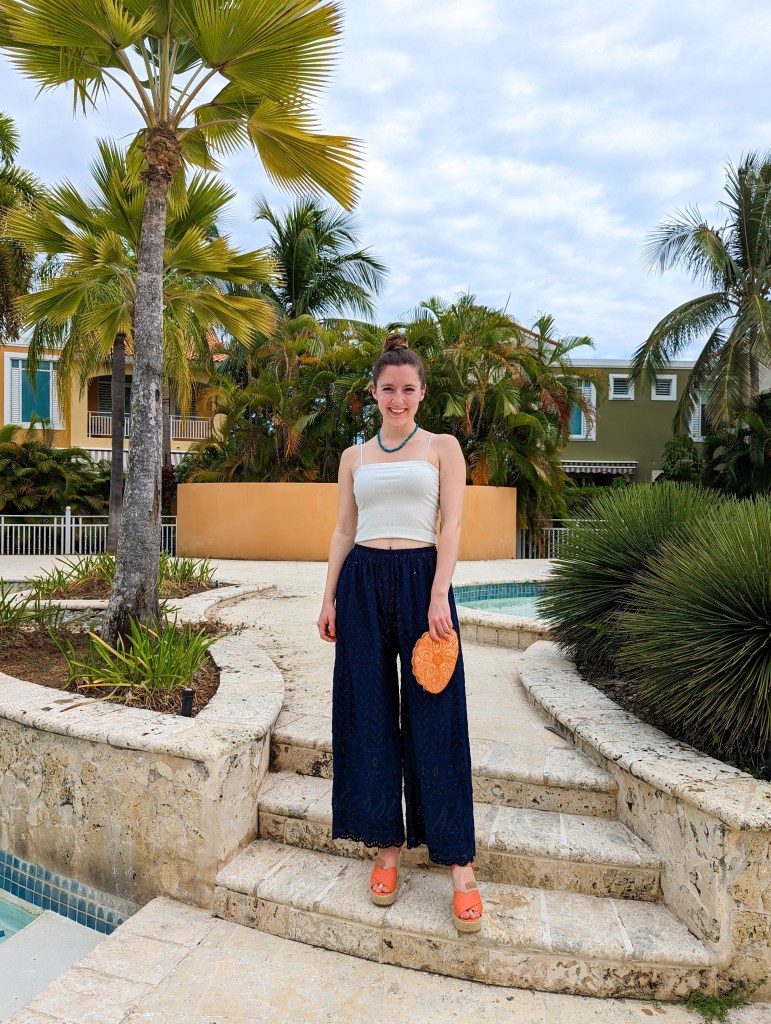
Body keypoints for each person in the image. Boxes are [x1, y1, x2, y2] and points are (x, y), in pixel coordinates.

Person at [316, 332, 484, 932]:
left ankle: (460, 866)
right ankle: (386, 849)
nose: (398, 399)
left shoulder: (442, 447)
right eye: (388, 389)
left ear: (421, 392)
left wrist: (439, 592)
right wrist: (330, 595)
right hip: (362, 582)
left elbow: (454, 522)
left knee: (437, 716)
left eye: (408, 389)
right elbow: (343, 529)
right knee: (371, 715)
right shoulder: (354, 457)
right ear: (374, 391)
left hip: (421, 584)